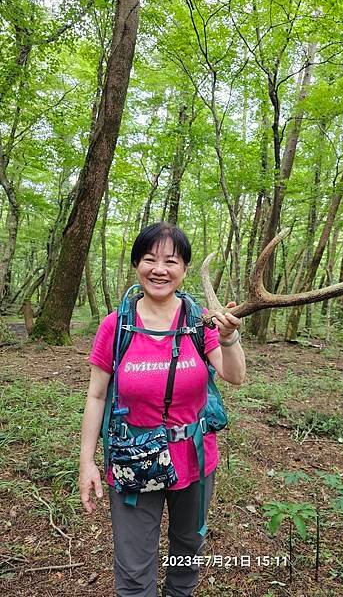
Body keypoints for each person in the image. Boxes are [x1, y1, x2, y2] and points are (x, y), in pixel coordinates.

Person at [79, 222, 246, 597]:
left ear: (184, 270)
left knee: (187, 554)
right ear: (137, 264)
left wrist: (230, 336)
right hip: (133, 458)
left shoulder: (199, 322)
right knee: (135, 570)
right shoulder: (116, 326)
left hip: (195, 460)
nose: (160, 269)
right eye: (150, 259)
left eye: (171, 261)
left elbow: (234, 376)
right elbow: (96, 396)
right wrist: (87, 462)